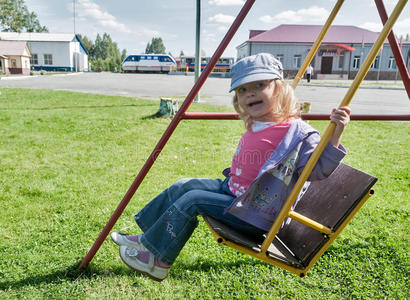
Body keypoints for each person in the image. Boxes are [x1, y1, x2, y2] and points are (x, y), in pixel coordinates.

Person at [111, 53, 351, 281]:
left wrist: (336, 132)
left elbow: (318, 170)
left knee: (192, 199)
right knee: (183, 185)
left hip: (254, 214)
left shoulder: (297, 133)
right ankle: (148, 238)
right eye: (243, 90)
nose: (250, 94)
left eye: (259, 85)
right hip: (233, 192)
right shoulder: (256, 122)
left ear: (279, 88)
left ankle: (158, 262)